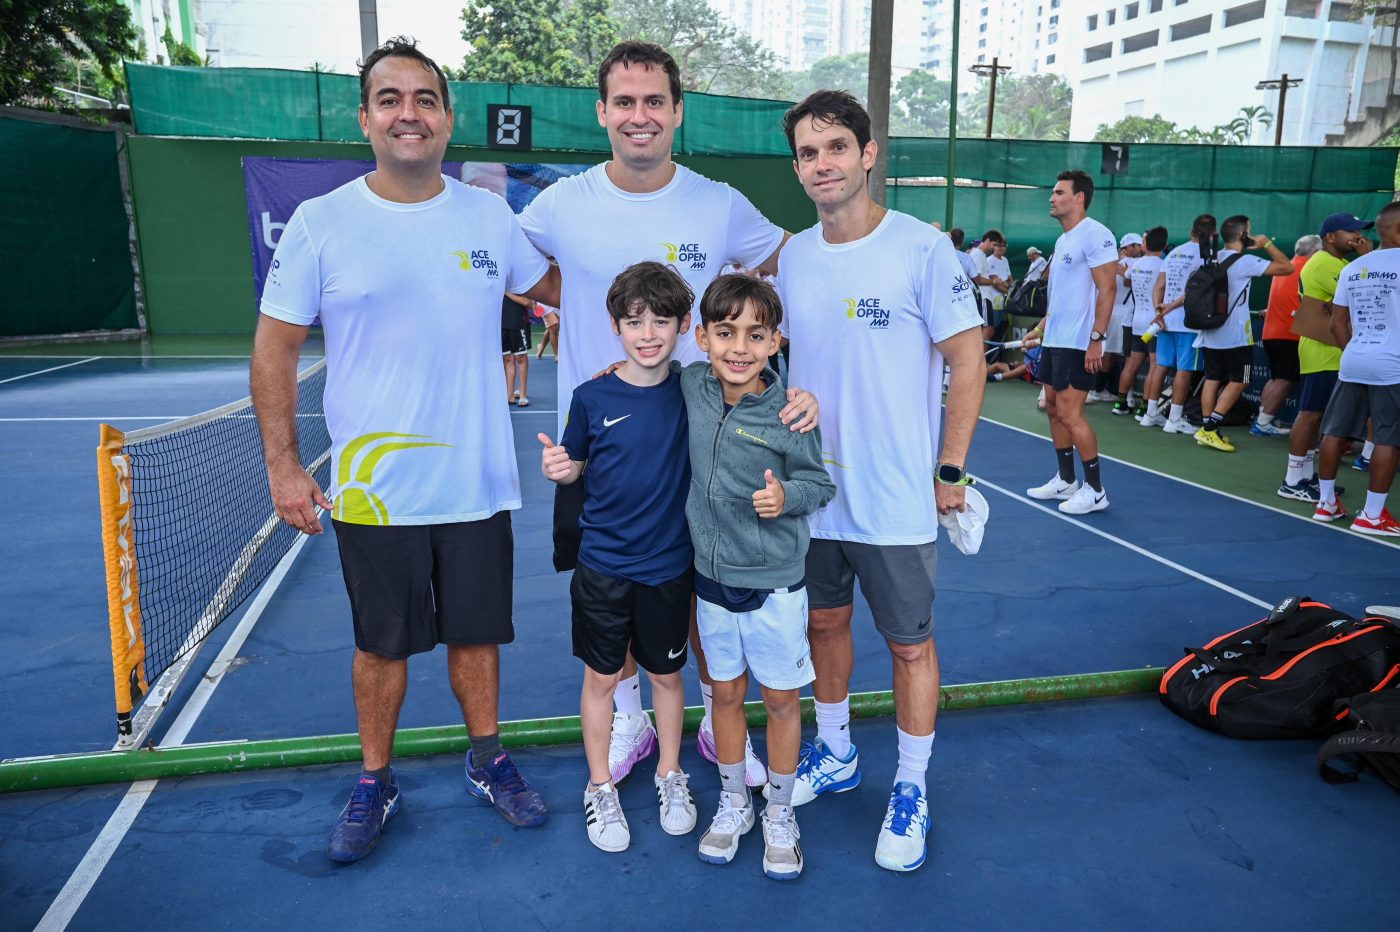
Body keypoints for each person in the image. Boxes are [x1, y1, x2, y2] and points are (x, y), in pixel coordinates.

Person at [250, 37, 561, 864]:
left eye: (425, 98)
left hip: (476, 481)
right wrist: (284, 467)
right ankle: (375, 779)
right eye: (391, 99)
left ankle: (488, 759)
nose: (409, 114)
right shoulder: (322, 224)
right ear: (366, 118)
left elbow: (565, 288)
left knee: (476, 636)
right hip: (375, 488)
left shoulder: (488, 214)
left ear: (449, 120)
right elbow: (273, 351)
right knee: (379, 645)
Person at [519, 40, 805, 788]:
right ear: (602, 113)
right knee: (610, 591)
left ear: (677, 112)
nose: (639, 116)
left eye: (654, 102)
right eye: (624, 102)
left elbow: (791, 266)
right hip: (603, 447)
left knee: (699, 585)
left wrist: (799, 378)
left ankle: (715, 712)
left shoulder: (718, 204)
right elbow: (524, 274)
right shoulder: (558, 204)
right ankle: (628, 721)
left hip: (705, 442)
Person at [775, 90, 985, 873]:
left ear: (868, 155)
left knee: (908, 647)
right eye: (807, 152)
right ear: (796, 168)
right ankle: (835, 754)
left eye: (835, 147)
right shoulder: (794, 255)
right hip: (813, 492)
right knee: (823, 628)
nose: (822, 163)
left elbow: (968, 359)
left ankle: (911, 786)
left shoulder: (923, 248)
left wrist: (951, 470)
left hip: (897, 495)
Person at [537, 261, 698, 853]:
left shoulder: (694, 390)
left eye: (661, 320)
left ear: (683, 325)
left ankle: (670, 774)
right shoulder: (591, 395)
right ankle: (599, 785)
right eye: (635, 322)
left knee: (666, 675)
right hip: (602, 567)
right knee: (602, 677)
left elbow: (752, 383)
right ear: (615, 327)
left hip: (669, 568)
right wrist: (561, 467)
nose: (648, 333)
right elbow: (574, 463)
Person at [681, 274, 837, 880]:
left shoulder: (791, 412)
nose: (738, 347)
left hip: (774, 585)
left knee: (778, 701)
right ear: (702, 338)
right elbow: (646, 373)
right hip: (709, 578)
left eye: (755, 334)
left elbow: (819, 484)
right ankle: (733, 802)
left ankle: (778, 812)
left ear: (776, 341)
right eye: (724, 333)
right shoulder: (691, 383)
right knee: (723, 693)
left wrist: (786, 498)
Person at [1022, 170, 1119, 515]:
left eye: (1059, 192)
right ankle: (1066, 480)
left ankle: (1095, 490)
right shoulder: (1064, 241)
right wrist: (1040, 328)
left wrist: (1097, 339)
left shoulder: (1097, 235)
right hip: (1056, 339)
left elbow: (1108, 290)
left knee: (1069, 412)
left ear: (1079, 198)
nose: (1052, 197)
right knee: (1051, 407)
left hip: (1080, 341)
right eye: (1053, 191)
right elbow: (1062, 297)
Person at [1310, 201, 1400, 536]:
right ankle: (1373, 516)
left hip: (1354, 359)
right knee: (1389, 437)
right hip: (1392, 364)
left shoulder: (1352, 267)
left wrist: (1356, 352)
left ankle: (1326, 503)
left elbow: (1337, 324)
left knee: (1334, 432)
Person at [1278, 214, 1373, 501]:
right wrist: (1367, 259)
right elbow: (1363, 294)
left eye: (1360, 231)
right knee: (1309, 414)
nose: (1358, 236)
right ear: (1330, 236)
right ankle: (1292, 480)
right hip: (1322, 350)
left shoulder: (1341, 264)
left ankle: (1305, 475)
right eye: (1351, 231)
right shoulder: (1323, 263)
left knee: (1318, 417)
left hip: (1332, 350)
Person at [1192, 216, 1293, 453]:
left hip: (1209, 331)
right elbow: (1287, 267)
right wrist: (1266, 244)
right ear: (1242, 235)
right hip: (1236, 335)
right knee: (1241, 380)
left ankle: (1208, 428)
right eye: (1250, 231)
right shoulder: (1246, 261)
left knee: (1213, 378)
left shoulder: (1210, 258)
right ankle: (1210, 428)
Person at [1148, 214, 1215, 435]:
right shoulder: (1207, 256)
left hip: (1166, 321)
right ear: (1213, 234)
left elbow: (1159, 285)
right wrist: (1168, 308)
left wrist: (1159, 311)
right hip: (1189, 322)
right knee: (1184, 371)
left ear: (1191, 232)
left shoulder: (1174, 253)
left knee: (1161, 366)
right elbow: (1196, 291)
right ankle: (1174, 419)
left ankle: (1150, 414)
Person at [1253, 234, 1321, 436]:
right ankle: (1263, 424)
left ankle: (1262, 420)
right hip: (1290, 333)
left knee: (1276, 378)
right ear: (1315, 252)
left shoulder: (1287, 266)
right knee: (1283, 380)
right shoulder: (1307, 269)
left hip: (1273, 332)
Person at [1116, 226, 1166, 418]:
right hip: (1154, 323)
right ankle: (1144, 409)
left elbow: (1127, 277)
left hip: (1137, 322)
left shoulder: (1136, 264)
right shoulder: (1163, 264)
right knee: (1154, 366)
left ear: (1145, 244)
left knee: (1132, 364)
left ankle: (1120, 404)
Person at [1093, 232, 1144, 404]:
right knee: (1115, 355)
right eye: (1137, 245)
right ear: (1128, 248)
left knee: (1113, 355)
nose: (1140, 248)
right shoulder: (1134, 264)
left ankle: (1102, 389)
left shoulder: (1116, 264)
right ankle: (1101, 390)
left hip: (1116, 313)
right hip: (1121, 315)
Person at [502, 292, 533, 406]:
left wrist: (506, 291)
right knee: (508, 359)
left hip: (519, 322)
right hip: (502, 323)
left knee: (521, 358)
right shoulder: (496, 283)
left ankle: (523, 394)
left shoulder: (519, 284)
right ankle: (510, 396)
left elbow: (527, 302)